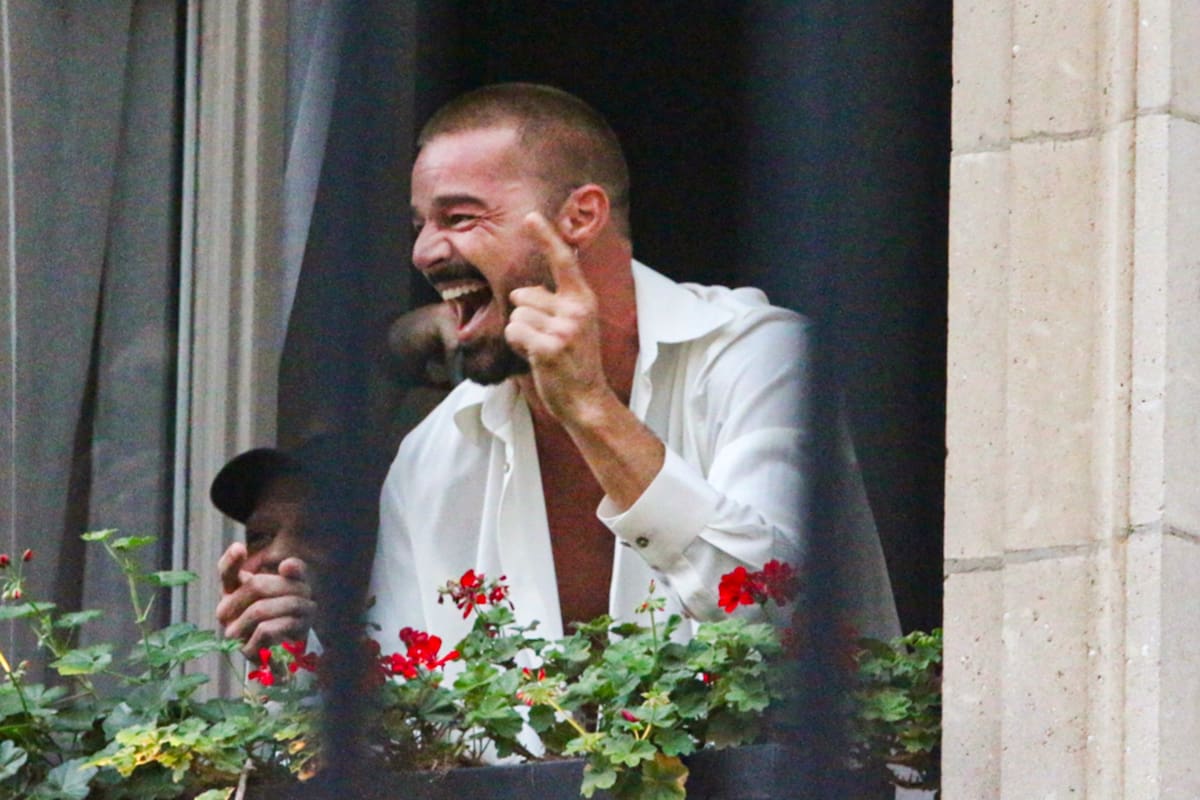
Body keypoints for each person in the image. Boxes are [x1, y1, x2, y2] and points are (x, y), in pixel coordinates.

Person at [218, 82, 897, 656]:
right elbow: (418, 729)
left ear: (581, 217)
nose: (425, 252)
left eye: (460, 217)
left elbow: (777, 620)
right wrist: (304, 658)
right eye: (420, 224)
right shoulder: (434, 457)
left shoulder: (758, 358)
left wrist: (591, 410)